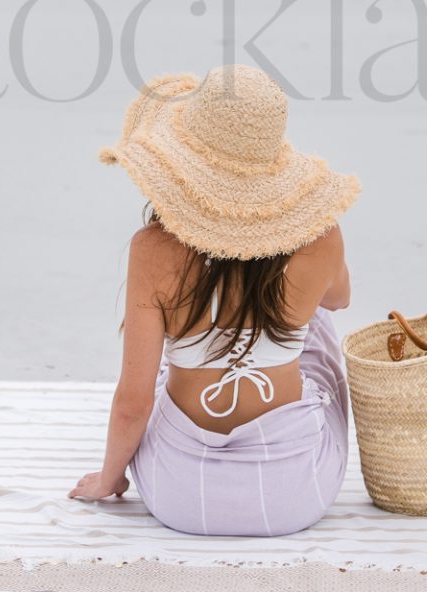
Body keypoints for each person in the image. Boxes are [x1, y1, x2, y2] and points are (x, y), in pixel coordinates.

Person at [69, 64, 360, 536]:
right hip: (295, 494)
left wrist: (110, 477)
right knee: (318, 324)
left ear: (180, 159)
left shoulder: (153, 250)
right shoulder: (320, 236)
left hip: (180, 495)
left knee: (167, 361)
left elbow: (132, 401)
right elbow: (340, 300)